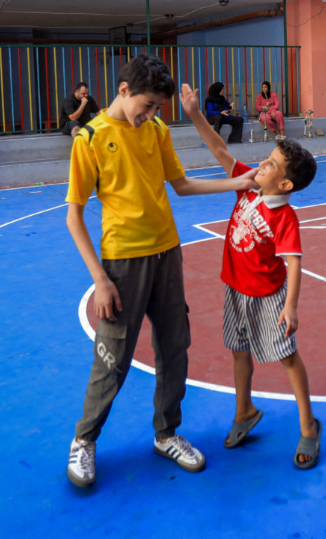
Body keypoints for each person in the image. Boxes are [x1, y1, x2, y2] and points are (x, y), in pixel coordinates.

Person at [65, 54, 261, 489]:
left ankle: (167, 433)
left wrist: (238, 183)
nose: (152, 115)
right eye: (148, 105)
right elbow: (74, 217)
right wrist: (100, 278)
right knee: (112, 358)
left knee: (175, 347)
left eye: (158, 108)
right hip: (122, 263)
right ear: (123, 91)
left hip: (167, 254)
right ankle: (85, 439)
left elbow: (183, 185)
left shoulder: (156, 131)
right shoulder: (91, 138)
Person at [184, 84, 321, 468]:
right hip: (235, 289)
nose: (262, 165)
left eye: (272, 165)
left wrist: (290, 306)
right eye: (267, 158)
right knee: (238, 351)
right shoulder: (247, 184)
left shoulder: (284, 217)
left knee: (287, 357)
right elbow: (220, 150)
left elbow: (294, 263)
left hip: (269, 297)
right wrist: (195, 113)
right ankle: (244, 410)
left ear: (286, 185)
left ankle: (309, 426)